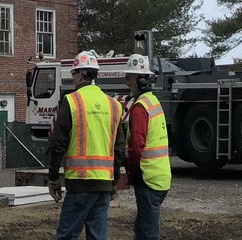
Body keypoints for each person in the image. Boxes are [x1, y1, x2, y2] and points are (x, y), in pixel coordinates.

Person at [46, 51, 125, 240]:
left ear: (80, 75)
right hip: (103, 184)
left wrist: (53, 177)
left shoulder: (72, 101)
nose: (73, 79)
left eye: (73, 74)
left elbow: (58, 144)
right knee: (97, 236)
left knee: (67, 235)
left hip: (80, 183)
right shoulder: (114, 105)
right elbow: (118, 148)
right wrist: (113, 181)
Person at [122, 54, 171, 240]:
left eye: (129, 77)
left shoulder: (140, 108)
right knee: (142, 230)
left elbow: (136, 147)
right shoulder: (153, 102)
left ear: (139, 80)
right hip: (159, 177)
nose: (126, 81)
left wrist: (130, 172)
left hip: (148, 178)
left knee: (148, 234)